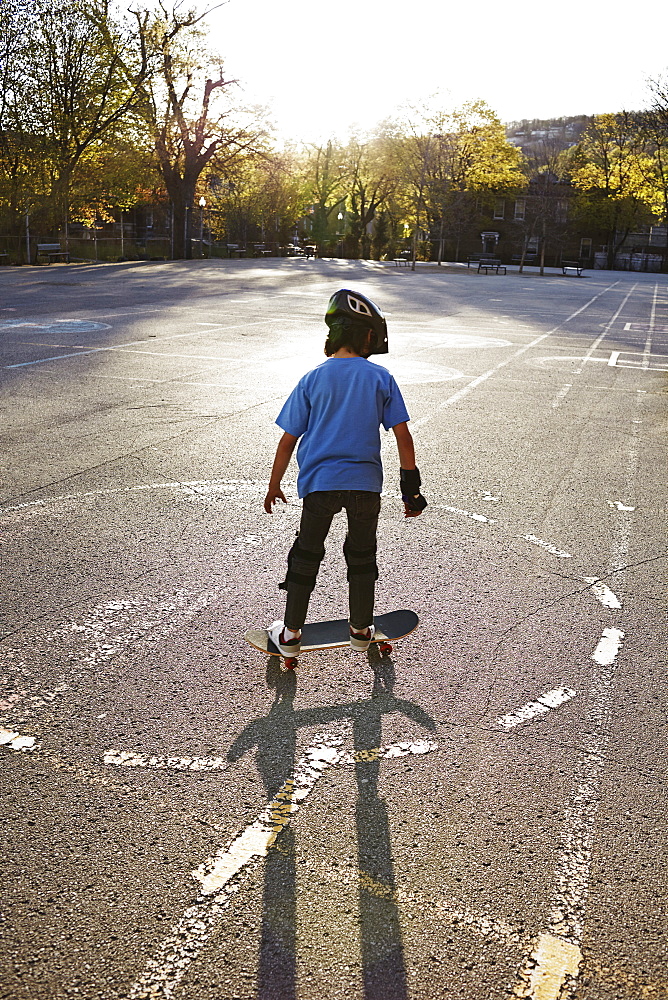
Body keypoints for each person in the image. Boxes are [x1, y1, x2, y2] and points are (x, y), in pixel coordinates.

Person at [263, 288, 427, 658]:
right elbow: (403, 435)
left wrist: (274, 484)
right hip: (365, 486)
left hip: (320, 485)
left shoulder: (312, 378)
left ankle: (290, 636)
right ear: (365, 335)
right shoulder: (380, 377)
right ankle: (360, 628)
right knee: (362, 554)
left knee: (306, 555)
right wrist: (410, 489)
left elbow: (288, 439)